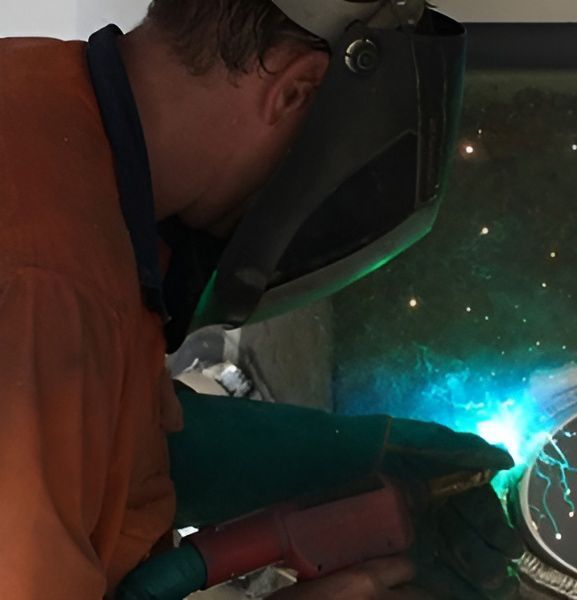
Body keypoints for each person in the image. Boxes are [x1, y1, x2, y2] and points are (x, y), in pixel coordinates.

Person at [0, 1, 522, 598]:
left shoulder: (38, 101)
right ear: (299, 90)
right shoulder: (51, 280)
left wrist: (351, 458)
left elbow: (102, 438)